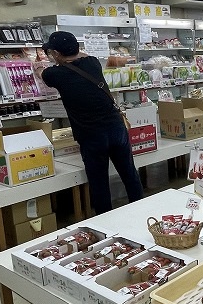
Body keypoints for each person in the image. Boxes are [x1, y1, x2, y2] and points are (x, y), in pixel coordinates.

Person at [40, 31, 143, 214]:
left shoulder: (54, 74)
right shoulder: (93, 63)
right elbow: (83, 56)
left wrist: (42, 64)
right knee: (129, 174)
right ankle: (141, 210)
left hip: (92, 135)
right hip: (116, 128)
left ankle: (105, 222)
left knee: (99, 183)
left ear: (55, 54)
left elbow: (40, 73)